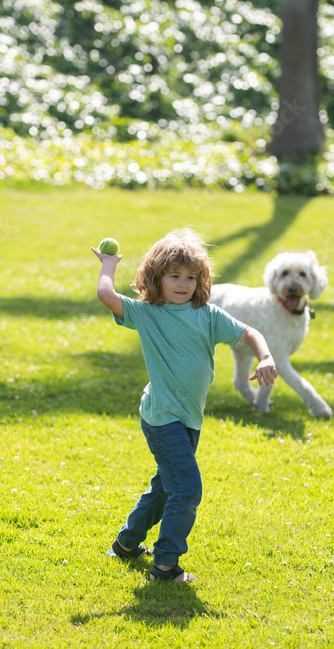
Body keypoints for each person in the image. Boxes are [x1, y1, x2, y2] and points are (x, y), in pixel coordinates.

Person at [92, 229, 278, 583]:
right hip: (163, 418)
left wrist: (265, 357)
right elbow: (105, 294)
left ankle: (127, 544)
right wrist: (109, 265)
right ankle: (165, 565)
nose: (182, 283)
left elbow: (248, 333)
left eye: (190, 277)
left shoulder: (206, 314)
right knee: (188, 488)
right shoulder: (147, 314)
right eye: (174, 276)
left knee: (166, 486)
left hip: (189, 419)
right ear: (155, 279)